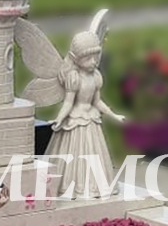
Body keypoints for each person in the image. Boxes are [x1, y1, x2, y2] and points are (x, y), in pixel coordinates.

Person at [46, 29, 126, 199]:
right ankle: (72, 187)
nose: (93, 62)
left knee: (94, 153)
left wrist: (114, 115)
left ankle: (94, 186)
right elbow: (68, 103)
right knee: (74, 156)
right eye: (88, 58)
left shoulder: (96, 76)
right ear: (75, 59)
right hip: (75, 121)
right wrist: (59, 118)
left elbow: (97, 101)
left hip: (91, 120)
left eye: (96, 57)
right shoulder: (74, 77)